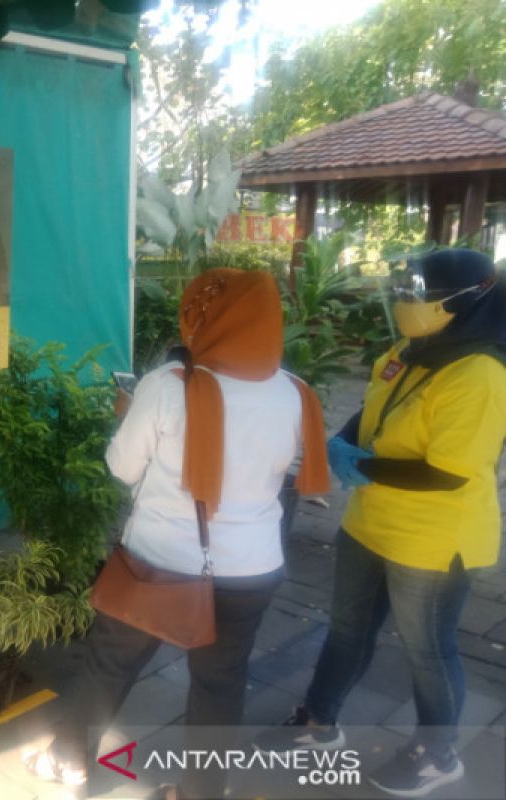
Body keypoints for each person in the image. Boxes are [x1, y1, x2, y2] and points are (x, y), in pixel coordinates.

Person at [28, 268, 330, 798]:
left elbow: (123, 468)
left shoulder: (170, 386)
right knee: (220, 682)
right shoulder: (296, 393)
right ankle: (200, 791)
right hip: (252, 567)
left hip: (160, 563)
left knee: (111, 661)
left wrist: (132, 417)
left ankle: (69, 758)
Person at [256, 248, 506, 798]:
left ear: (466, 302)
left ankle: (438, 755)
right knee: (347, 629)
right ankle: (319, 720)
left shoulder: (481, 374)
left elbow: (448, 473)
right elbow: (374, 407)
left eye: (422, 296)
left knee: (429, 650)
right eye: (404, 293)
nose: (408, 304)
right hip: (371, 522)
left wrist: (360, 465)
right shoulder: (409, 350)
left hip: (435, 539)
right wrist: (344, 443)